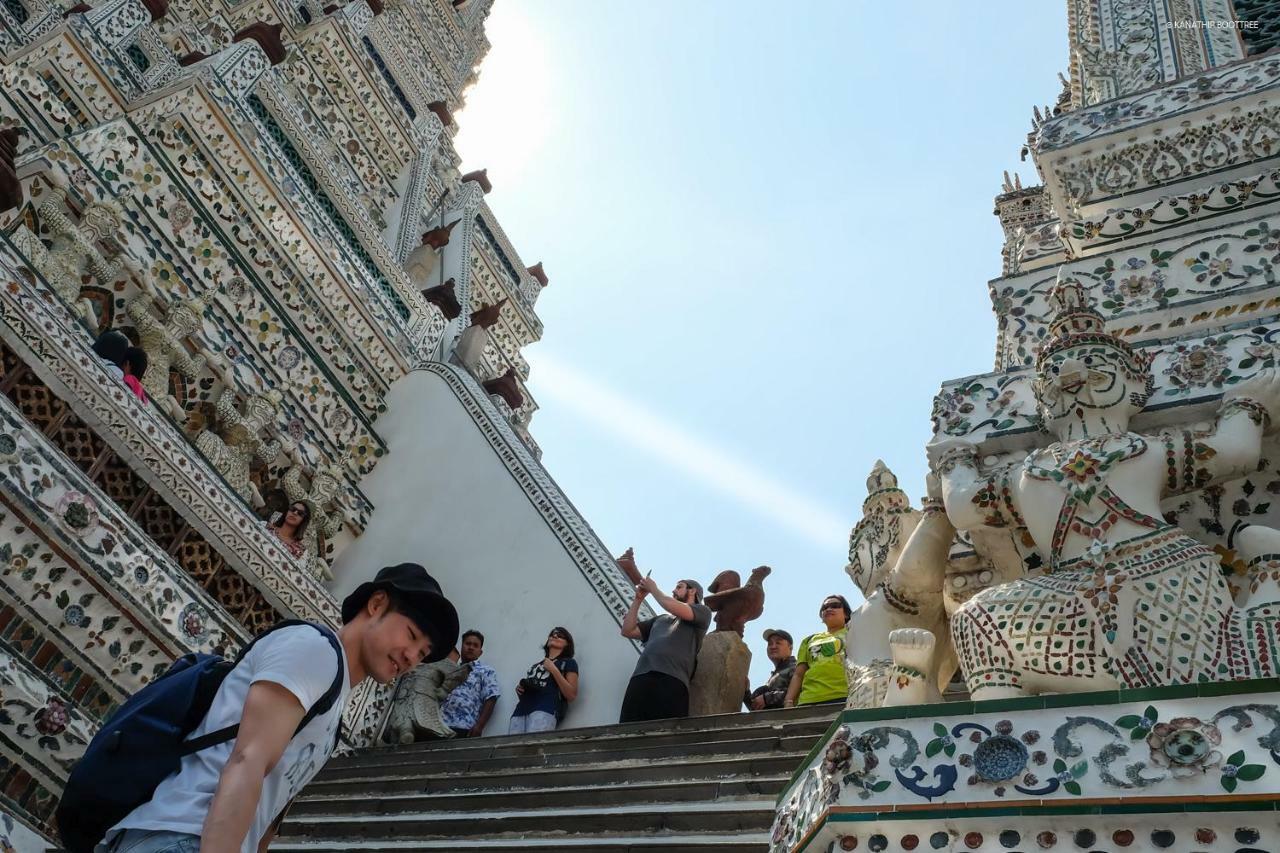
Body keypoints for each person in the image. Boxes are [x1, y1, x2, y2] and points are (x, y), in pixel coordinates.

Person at [98, 562, 458, 853]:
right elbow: (246, 761)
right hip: (183, 835)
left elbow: (269, 813)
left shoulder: (332, 704)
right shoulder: (315, 651)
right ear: (376, 604)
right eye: (411, 635)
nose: (412, 657)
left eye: (423, 654)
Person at [619, 577, 711, 723]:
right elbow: (628, 630)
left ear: (692, 591)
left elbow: (669, 604)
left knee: (667, 735)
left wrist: (653, 588)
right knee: (629, 729)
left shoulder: (703, 612)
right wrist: (638, 599)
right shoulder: (660, 620)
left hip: (673, 679)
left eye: (679, 587)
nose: (674, 591)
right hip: (641, 677)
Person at [784, 594, 851, 707]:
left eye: (835, 605)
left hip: (846, 696)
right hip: (809, 700)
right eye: (824, 608)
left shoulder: (856, 633)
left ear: (846, 613)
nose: (829, 609)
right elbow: (799, 674)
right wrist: (788, 700)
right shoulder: (809, 640)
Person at [508, 627, 579, 734]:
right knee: (512, 749)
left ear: (567, 644)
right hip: (520, 711)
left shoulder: (569, 662)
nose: (554, 636)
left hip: (545, 710)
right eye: (552, 634)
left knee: (534, 747)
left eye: (560, 635)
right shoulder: (535, 665)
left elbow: (571, 694)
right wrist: (521, 690)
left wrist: (553, 669)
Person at [439, 629, 500, 738]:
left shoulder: (486, 671)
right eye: (468, 643)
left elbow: (491, 698)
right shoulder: (450, 670)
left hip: (465, 729)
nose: (471, 647)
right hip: (439, 727)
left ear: (480, 652)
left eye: (475, 645)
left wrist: (479, 726)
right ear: (462, 646)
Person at [744, 628, 797, 711]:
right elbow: (755, 710)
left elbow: (799, 693)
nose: (773, 646)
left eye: (778, 643)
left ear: (790, 648)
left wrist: (767, 698)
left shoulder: (796, 668)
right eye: (770, 644)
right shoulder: (775, 675)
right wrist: (746, 692)